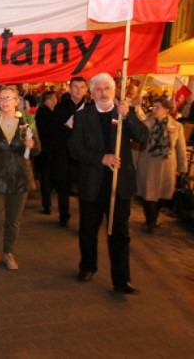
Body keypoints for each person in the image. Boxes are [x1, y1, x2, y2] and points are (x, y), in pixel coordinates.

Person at [68, 73, 149, 295]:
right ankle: (87, 266)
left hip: (119, 185)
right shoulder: (83, 116)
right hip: (92, 183)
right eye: (98, 89)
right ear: (91, 93)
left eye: (107, 88)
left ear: (114, 91)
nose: (103, 93)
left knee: (120, 234)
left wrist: (129, 115)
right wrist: (100, 158)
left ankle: (122, 279)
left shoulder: (123, 113)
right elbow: (74, 148)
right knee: (88, 230)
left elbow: (143, 136)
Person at [0, 86, 40, 272]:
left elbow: (37, 149)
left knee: (14, 219)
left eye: (8, 98)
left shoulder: (26, 122)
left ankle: (8, 253)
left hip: (19, 176)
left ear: (16, 101)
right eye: (1, 99)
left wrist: (32, 144)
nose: (4, 102)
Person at [136, 97, 187, 233]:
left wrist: (182, 167)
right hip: (148, 164)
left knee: (164, 194)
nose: (154, 110)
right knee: (148, 194)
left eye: (157, 107)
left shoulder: (176, 126)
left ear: (166, 110)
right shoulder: (146, 124)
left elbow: (180, 148)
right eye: (153, 107)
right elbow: (136, 143)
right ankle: (151, 222)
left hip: (167, 166)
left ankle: (154, 217)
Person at [51, 77, 88, 227]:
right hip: (64, 153)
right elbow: (54, 130)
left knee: (85, 188)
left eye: (81, 87)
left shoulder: (90, 107)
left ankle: (85, 220)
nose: (78, 90)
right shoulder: (60, 108)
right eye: (75, 87)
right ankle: (64, 215)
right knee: (64, 187)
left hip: (84, 154)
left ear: (86, 90)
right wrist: (67, 127)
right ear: (70, 89)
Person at [34, 90, 58, 215]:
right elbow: (44, 130)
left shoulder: (57, 111)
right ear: (45, 101)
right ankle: (46, 203)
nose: (53, 101)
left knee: (50, 176)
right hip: (46, 149)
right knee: (46, 177)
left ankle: (49, 202)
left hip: (54, 150)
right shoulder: (42, 112)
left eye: (55, 99)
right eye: (50, 99)